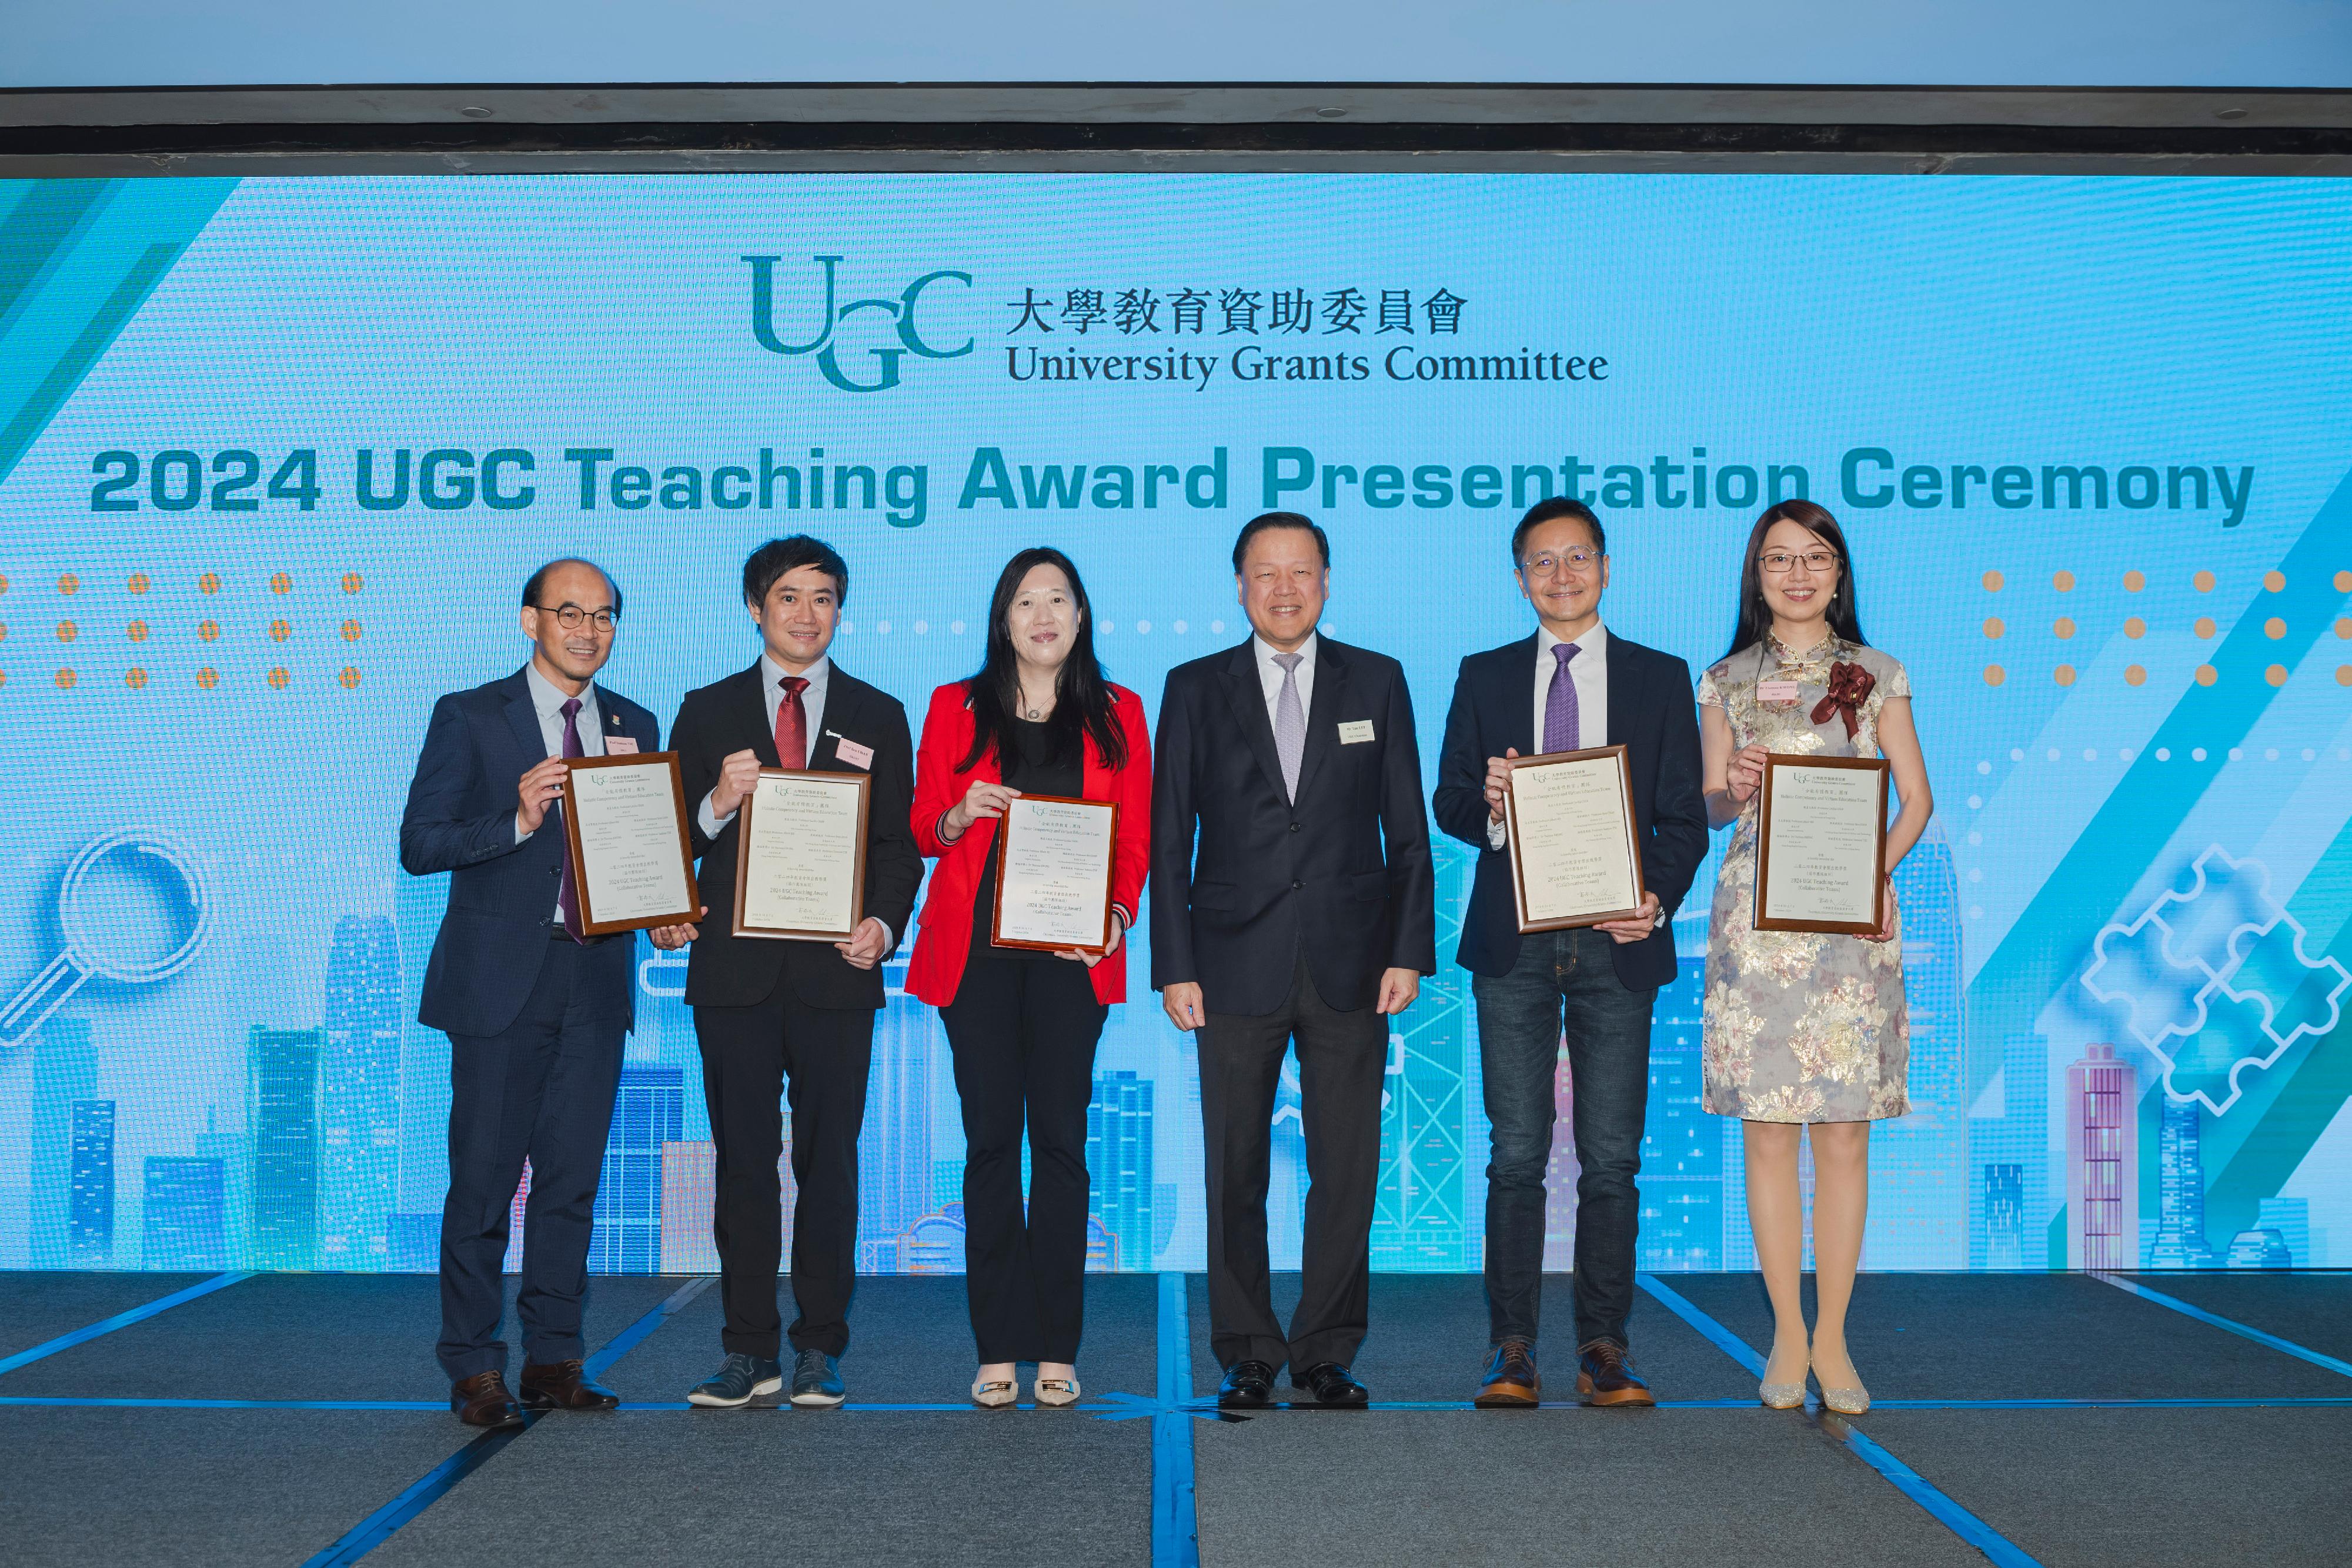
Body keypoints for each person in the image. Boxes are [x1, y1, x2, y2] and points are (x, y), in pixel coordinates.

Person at [1152, 511, 1436, 1409]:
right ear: (1238, 586)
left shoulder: (1379, 680)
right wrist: (1174, 964)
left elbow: (1409, 832)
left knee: (1346, 1165)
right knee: (1233, 1163)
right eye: (1265, 573)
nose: (1284, 588)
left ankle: (1325, 1349)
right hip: (1231, 961)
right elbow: (1169, 840)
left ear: (1327, 582)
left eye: (1302, 572)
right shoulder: (1194, 686)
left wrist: (1408, 950)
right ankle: (1246, 1347)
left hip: (1355, 962)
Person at [1434, 499, 1708, 1410]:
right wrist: (1495, 804)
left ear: (1605, 565)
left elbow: (1682, 817)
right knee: (1514, 1154)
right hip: (1513, 942)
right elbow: (1450, 805)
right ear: (1519, 578)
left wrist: (1656, 898)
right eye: (1541, 562)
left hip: (1615, 942)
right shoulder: (1482, 675)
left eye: (1577, 557)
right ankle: (1511, 1350)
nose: (1561, 575)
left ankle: (1604, 1348)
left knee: (1611, 1158)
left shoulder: (1660, 677)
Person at [400, 557, 677, 1429]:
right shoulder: (471, 715)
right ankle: (475, 1366)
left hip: (595, 981)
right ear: (530, 621)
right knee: (482, 1186)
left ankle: (555, 1359)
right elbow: (421, 843)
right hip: (499, 987)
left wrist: (666, 910)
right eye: (569, 612)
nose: (587, 629)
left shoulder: (635, 722)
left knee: (571, 1185)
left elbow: (642, 852)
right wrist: (516, 821)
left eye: (604, 614)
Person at [665, 536, 922, 1410]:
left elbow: (896, 845)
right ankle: (746, 1350)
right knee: (742, 1166)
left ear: (840, 611)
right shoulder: (705, 711)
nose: (806, 613)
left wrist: (885, 924)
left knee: (830, 1166)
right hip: (733, 978)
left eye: (823, 598)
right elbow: (671, 845)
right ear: (754, 606)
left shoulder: (879, 714)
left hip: (836, 978)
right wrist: (718, 804)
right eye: (788, 596)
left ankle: (819, 1346)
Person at [1698, 500, 1931, 1416]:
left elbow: (1914, 801)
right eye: (1778, 560)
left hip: (1847, 930)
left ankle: (1833, 1337)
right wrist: (1733, 783)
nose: (1798, 575)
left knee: (1843, 1136)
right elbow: (1713, 807)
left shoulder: (1878, 675)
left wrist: (1874, 876)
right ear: (1755, 576)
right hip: (1757, 933)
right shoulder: (1724, 679)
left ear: (1840, 572)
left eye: (1816, 557)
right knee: (1766, 1136)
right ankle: (1786, 1333)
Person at [907, 548, 1152, 1409]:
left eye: (1058, 599)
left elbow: (1135, 842)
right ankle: (997, 1346)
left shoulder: (1120, 712)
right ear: (1002, 620)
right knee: (987, 1148)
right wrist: (955, 814)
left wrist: (1117, 919)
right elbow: (921, 828)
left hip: (1069, 961)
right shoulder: (953, 707)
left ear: (1081, 617)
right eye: (1024, 601)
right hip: (974, 958)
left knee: (1060, 1147)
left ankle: (1058, 1345)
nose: (1042, 614)